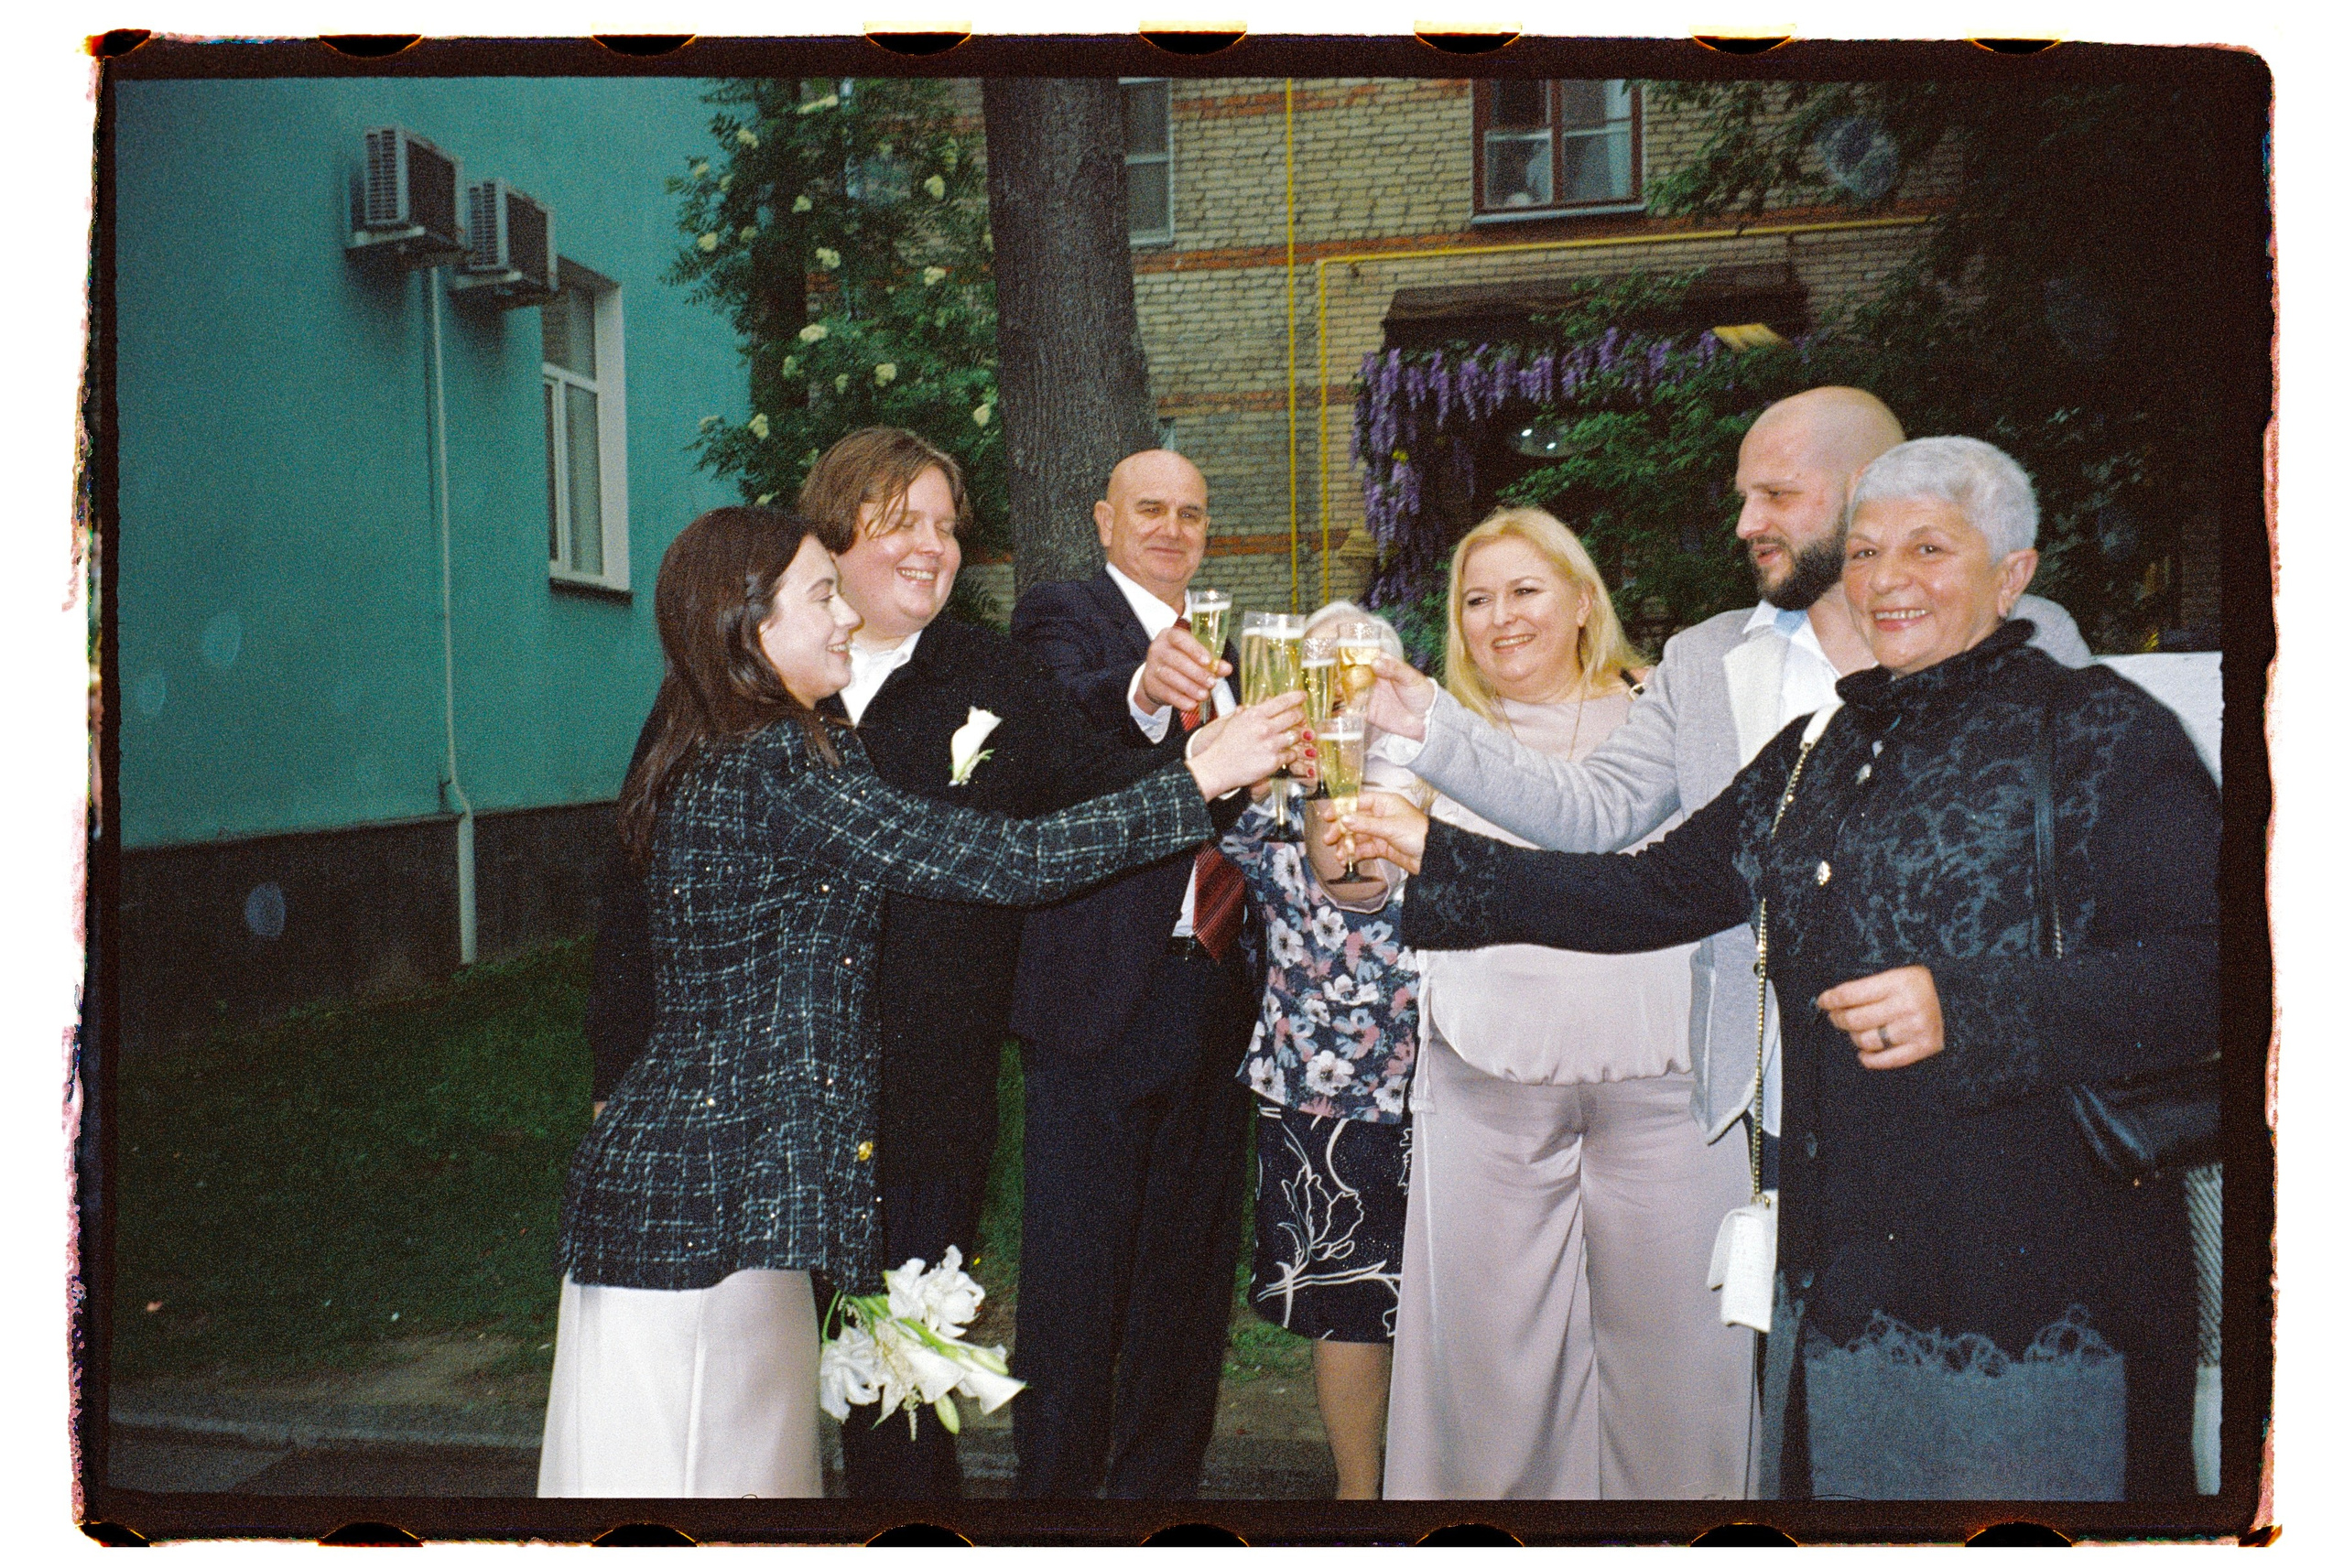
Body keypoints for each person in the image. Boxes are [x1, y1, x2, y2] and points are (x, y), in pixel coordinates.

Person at [1344, 438, 2212, 1499]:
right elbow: (1653, 892)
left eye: (1929, 548)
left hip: (2039, 1255)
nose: (1887, 579)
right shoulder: (1820, 747)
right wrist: (1435, 855)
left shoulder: (2101, 732)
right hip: (1848, 1248)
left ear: (2013, 572)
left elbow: (2214, 973)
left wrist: (1972, 1006)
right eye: (1863, 552)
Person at [537, 505, 1305, 1498]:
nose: (847, 618)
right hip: (698, 1213)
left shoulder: (750, 747)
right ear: (747, 624)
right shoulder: (772, 767)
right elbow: (1009, 859)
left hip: (740, 1207)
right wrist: (1198, 774)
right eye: (822, 595)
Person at [1372, 509, 1753, 1500]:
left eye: (1525, 590)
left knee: (1680, 1375)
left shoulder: (1672, 716)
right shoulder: (1422, 729)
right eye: (1476, 598)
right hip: (1486, 1086)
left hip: (1664, 1093)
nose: (1500, 617)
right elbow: (1357, 883)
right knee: (1492, 1382)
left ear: (1585, 600)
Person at [1004, 449, 1261, 1498]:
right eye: (1148, 510)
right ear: (1104, 519)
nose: (1170, 529)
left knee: (1188, 1281)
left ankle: (1158, 1502)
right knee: (1076, 1282)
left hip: (1212, 992)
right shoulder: (1058, 619)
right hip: (1095, 1004)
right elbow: (1069, 720)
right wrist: (1146, 693)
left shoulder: (1231, 644)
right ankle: (1054, 1513)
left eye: (1191, 514)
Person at [1218, 601, 1420, 1501]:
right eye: (1327, 666)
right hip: (1329, 1096)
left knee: (1453, 1302)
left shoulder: (1452, 774)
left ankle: (1439, 1479)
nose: (1348, 681)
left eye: (1364, 664)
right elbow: (1353, 880)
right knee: (1352, 1310)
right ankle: (1358, 1496)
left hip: (1453, 1084)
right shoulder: (1279, 794)